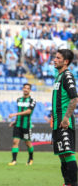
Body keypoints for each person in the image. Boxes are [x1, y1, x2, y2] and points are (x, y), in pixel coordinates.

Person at [52, 49, 78, 186]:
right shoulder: (58, 76)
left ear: (65, 61)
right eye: (55, 57)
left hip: (64, 122)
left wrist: (66, 117)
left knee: (68, 153)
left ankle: (73, 183)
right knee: (62, 155)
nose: (54, 60)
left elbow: (74, 98)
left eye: (57, 58)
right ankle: (67, 183)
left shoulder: (67, 76)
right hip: (57, 123)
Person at [8, 83, 36, 166]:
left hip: (26, 126)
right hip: (18, 125)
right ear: (23, 89)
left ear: (30, 90)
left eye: (28, 88)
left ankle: (31, 159)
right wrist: (15, 121)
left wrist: (15, 114)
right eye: (24, 88)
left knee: (28, 143)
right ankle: (14, 160)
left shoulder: (32, 100)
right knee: (15, 141)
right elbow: (21, 110)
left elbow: (28, 111)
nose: (26, 89)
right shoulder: (19, 100)